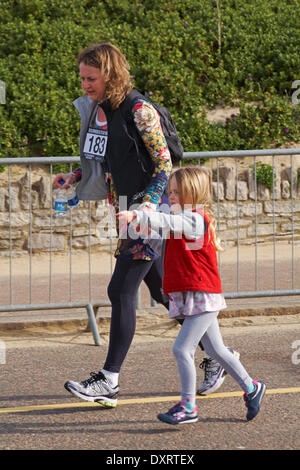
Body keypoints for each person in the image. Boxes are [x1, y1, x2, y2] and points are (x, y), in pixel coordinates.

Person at [53, 43, 230, 407]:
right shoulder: (102, 110)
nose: (85, 84)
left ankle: (109, 380)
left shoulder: (139, 110)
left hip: (150, 209)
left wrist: (147, 208)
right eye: (82, 78)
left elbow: (164, 164)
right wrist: (74, 175)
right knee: (165, 291)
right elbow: (110, 160)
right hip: (127, 207)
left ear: (110, 74)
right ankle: (218, 356)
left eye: (91, 78)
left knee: (120, 290)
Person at [117, 167, 266, 424]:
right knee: (215, 349)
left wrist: (140, 214)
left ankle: (188, 406)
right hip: (191, 294)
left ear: (193, 193)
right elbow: (157, 234)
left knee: (182, 348)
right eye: (170, 191)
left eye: (177, 192)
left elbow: (168, 222)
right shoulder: (178, 218)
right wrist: (137, 223)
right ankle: (252, 388)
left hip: (202, 294)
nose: (171, 196)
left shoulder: (196, 219)